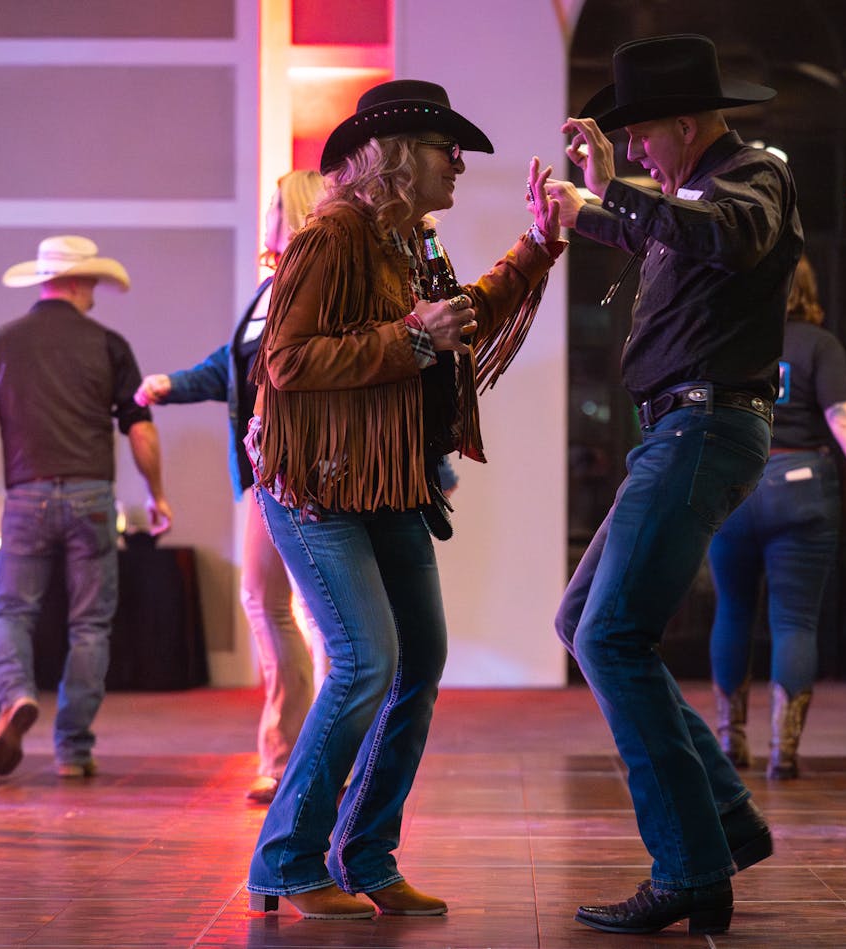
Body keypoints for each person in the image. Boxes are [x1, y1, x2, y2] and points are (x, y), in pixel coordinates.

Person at [243, 79, 563, 920]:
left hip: (386, 485)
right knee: (364, 662)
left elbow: (460, 317)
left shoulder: (406, 241)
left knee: (416, 659)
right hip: (322, 488)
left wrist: (538, 244)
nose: (457, 164)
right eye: (442, 149)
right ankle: (286, 859)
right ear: (394, 157)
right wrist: (413, 337)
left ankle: (367, 855)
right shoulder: (337, 234)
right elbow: (288, 360)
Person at [544, 34, 800, 936]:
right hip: (678, 431)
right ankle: (723, 820)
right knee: (584, 623)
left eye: (646, 138)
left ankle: (691, 866)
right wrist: (584, 205)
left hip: (703, 426)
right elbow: (664, 224)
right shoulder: (691, 187)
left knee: (611, 635)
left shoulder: (754, 178)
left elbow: (721, 237)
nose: (641, 152)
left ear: (686, 126)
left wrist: (614, 188)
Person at [135, 170, 322, 805]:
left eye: (273, 204)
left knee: (324, 619)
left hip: (309, 470)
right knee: (265, 601)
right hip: (265, 472)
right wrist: (171, 384)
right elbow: (231, 366)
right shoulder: (268, 291)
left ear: (290, 210)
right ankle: (286, 751)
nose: (265, 215)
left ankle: (315, 753)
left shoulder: (314, 283)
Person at [0, 235, 173, 780]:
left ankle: (14, 698)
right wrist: (156, 494)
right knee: (90, 625)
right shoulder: (109, 343)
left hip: (25, 495)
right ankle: (73, 750)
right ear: (79, 281)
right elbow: (140, 428)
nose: (96, 293)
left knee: (11, 611)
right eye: (94, 283)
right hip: (92, 497)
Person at [710, 256, 846, 779]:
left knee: (732, 611)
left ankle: (730, 741)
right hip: (802, 487)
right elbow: (844, 418)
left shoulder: (728, 335)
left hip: (732, 485)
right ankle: (785, 750)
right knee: (794, 620)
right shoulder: (820, 345)